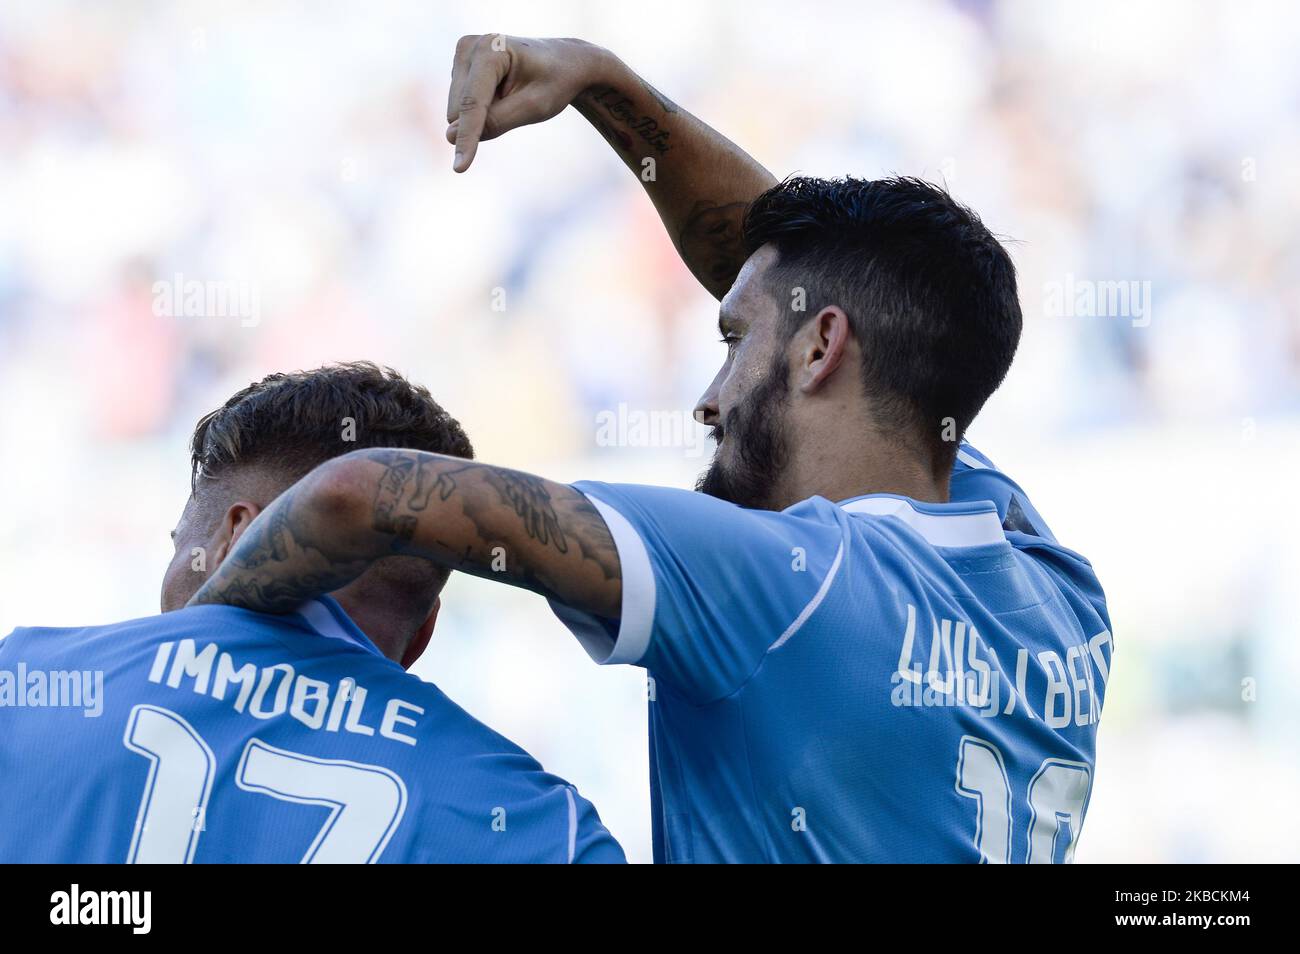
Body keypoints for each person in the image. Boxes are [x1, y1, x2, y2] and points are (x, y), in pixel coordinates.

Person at [186, 34, 1113, 862]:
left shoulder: (781, 587)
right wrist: (602, 85)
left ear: (820, 349)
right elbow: (841, 294)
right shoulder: (1051, 584)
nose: (707, 404)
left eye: (729, 344)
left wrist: (172, 653)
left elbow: (361, 493)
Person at [0, 363, 624, 863]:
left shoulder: (25, 683)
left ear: (235, 537)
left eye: (177, 547)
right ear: (424, 631)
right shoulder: (540, 824)